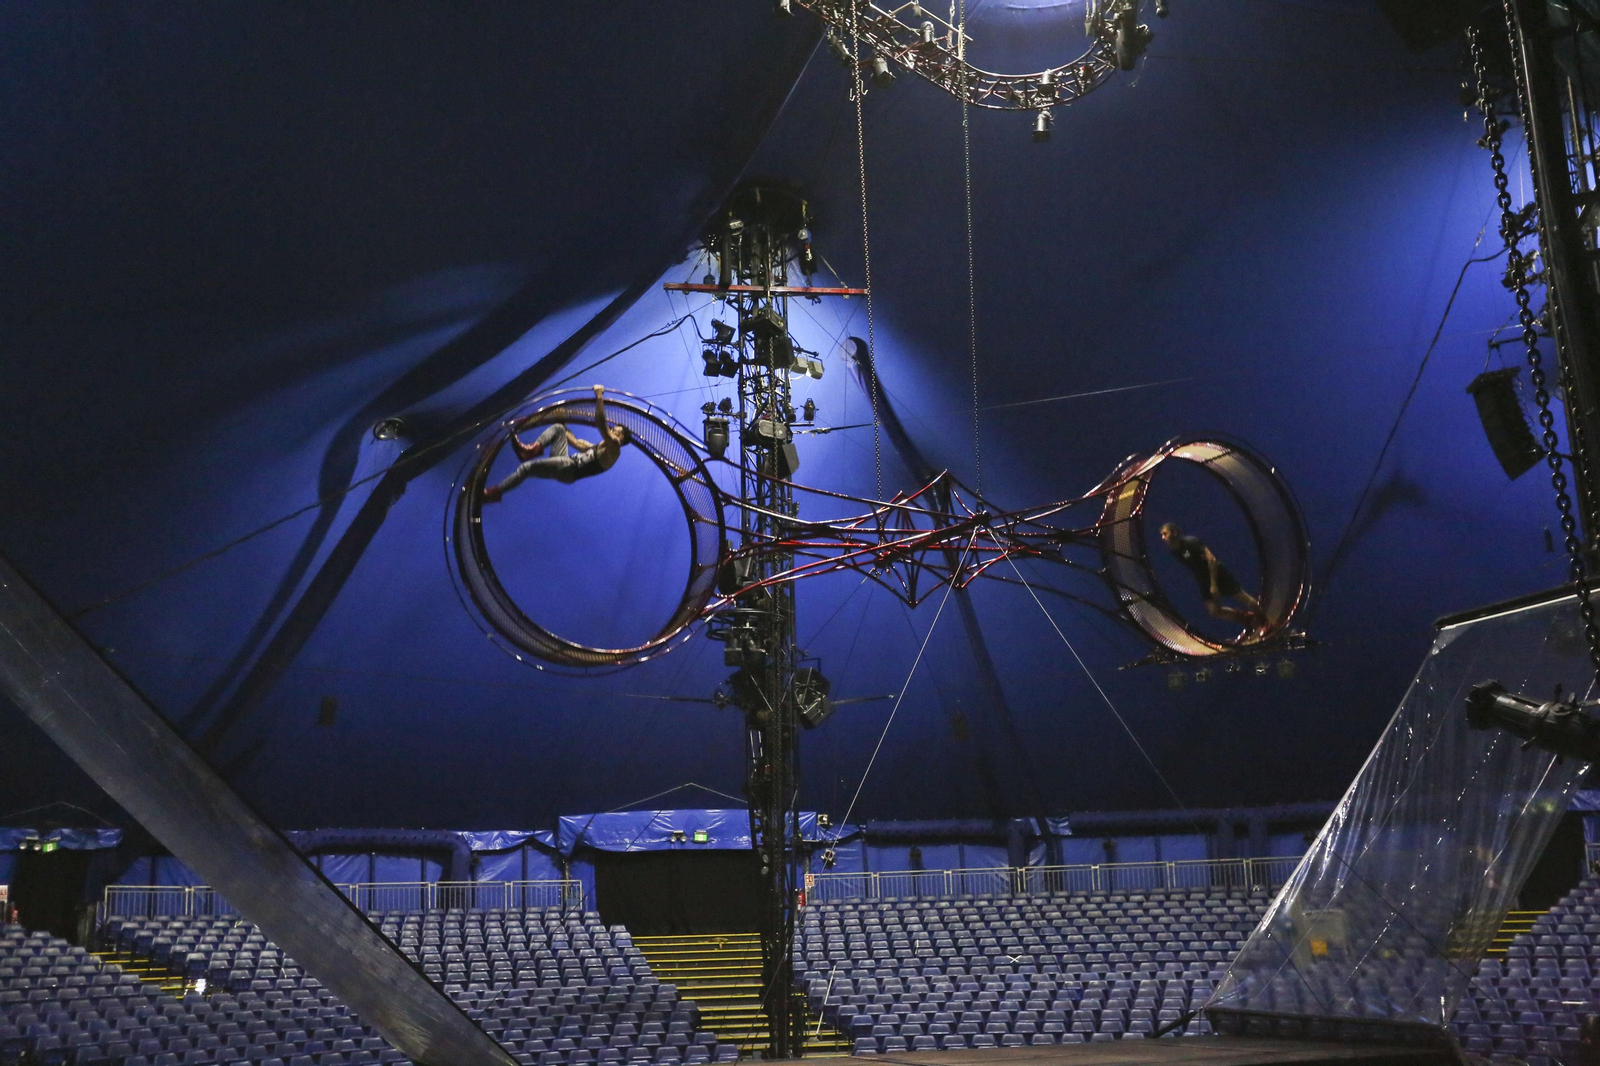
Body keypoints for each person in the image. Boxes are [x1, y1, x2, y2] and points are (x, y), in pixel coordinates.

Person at [482, 384, 632, 503]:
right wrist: (562, 420)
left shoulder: (614, 448)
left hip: (570, 468)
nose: (613, 432)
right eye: (614, 430)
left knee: (526, 467)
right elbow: (576, 442)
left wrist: (599, 396)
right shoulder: (597, 448)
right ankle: (532, 450)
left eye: (617, 432)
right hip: (567, 465)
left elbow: (601, 423)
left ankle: (495, 492)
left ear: (622, 439)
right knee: (559, 429)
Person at [1158, 521, 1264, 632]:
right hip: (1203, 580)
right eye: (1162, 535)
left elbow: (1211, 559)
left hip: (1217, 574)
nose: (1163, 537)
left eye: (1165, 534)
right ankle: (1248, 620)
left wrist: (1213, 585)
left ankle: (1264, 622)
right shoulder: (1175, 552)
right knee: (1214, 610)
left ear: (1174, 533)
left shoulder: (1190, 543)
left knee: (1243, 597)